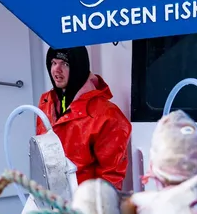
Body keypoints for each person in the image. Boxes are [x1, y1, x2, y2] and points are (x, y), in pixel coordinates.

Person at [35, 46, 131, 190]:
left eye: (65, 64)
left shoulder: (107, 115)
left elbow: (110, 175)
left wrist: (96, 206)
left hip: (83, 201)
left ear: (78, 67)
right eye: (53, 63)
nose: (56, 70)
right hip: (50, 197)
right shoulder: (46, 102)